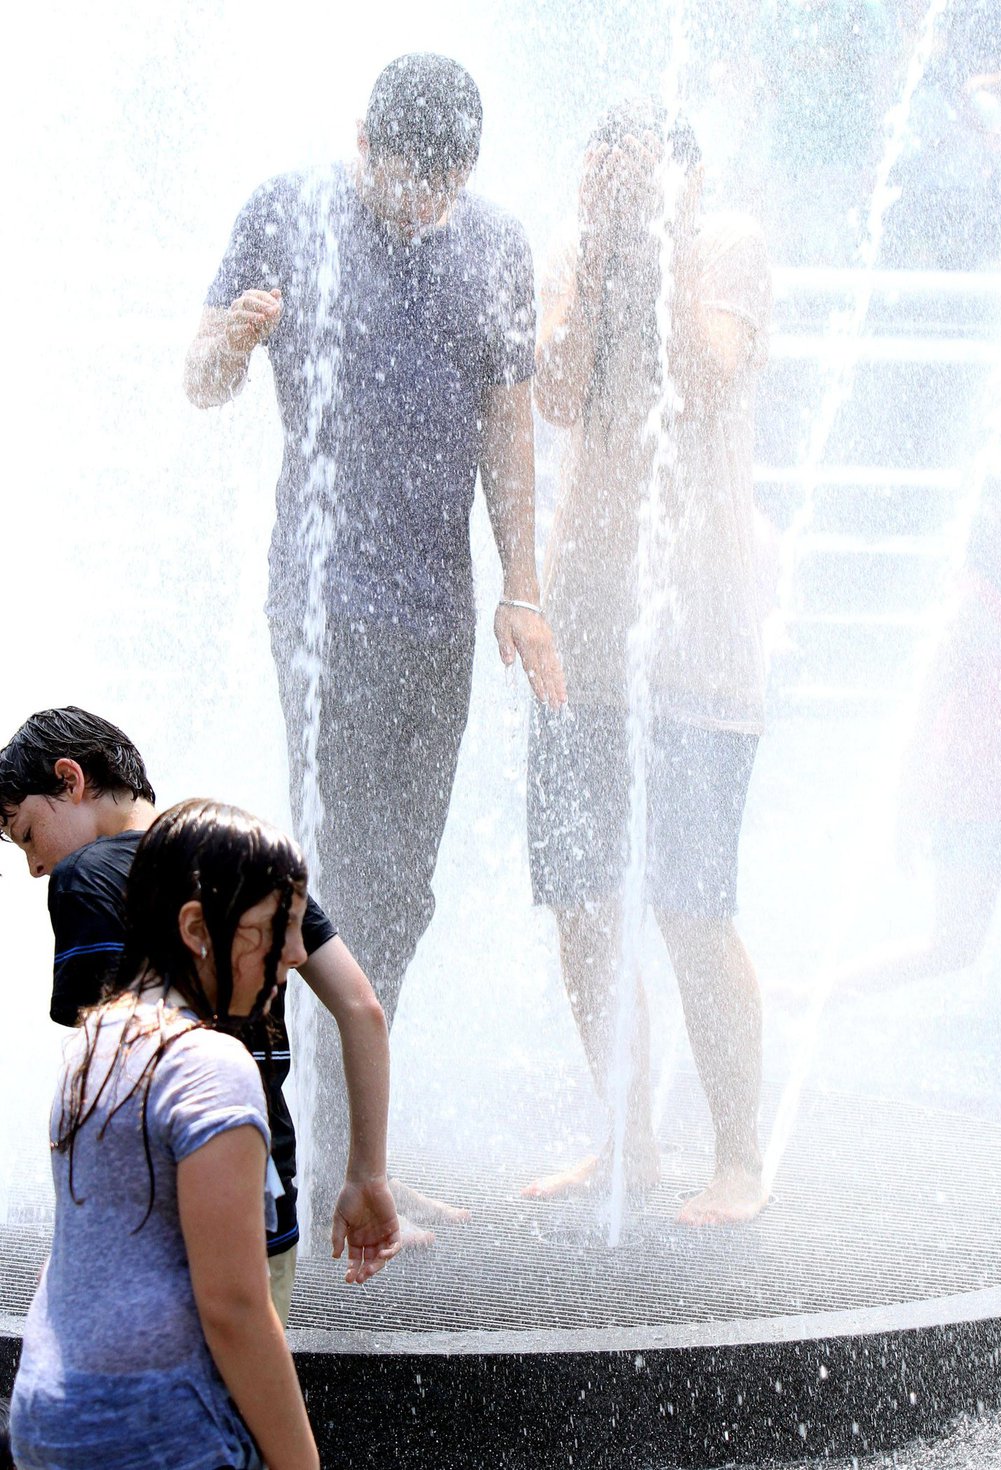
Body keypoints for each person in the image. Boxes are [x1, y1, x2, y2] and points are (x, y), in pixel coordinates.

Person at [183, 53, 565, 1227]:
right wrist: (234, 340)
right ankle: (311, 1149)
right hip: (322, 604)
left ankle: (349, 1137)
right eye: (411, 184)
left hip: (437, 607)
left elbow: (507, 417)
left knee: (403, 885)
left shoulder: (493, 243)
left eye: (448, 189)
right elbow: (199, 380)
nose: (427, 210)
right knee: (336, 871)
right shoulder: (287, 213)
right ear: (364, 142)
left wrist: (524, 586)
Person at [523, 102, 772, 1225]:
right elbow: (558, 393)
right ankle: (627, 1140)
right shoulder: (573, 257)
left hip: (699, 648)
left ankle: (738, 1156)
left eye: (639, 179)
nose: (620, 196)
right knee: (581, 902)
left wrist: (660, 241)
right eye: (606, 178)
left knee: (691, 908)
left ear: (688, 180)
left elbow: (706, 376)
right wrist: (597, 249)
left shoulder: (728, 247)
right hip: (583, 639)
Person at [0, 706, 399, 1313]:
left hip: (160, 1233)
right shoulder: (245, 854)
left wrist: (86, 1245)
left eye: (27, 833)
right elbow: (362, 1007)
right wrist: (367, 1176)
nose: (33, 867)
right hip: (268, 1211)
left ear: (70, 779)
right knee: (249, 1370)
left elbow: (109, 1077)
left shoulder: (87, 879)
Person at [10, 798, 320, 1469]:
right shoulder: (210, 1065)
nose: (296, 955)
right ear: (196, 928)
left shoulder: (95, 1042)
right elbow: (234, 1307)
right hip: (156, 1428)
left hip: (53, 1413)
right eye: (278, 927)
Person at [837, 449, 1001, 1021]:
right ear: (997, 507)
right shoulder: (968, 608)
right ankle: (815, 1000)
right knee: (953, 947)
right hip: (973, 802)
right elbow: (922, 719)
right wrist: (904, 814)